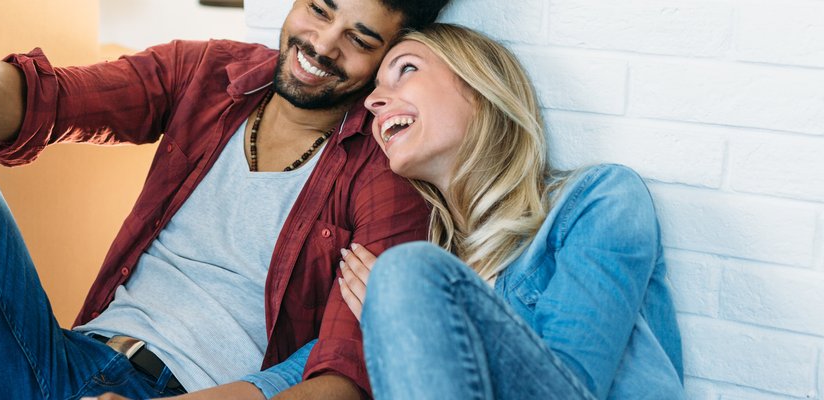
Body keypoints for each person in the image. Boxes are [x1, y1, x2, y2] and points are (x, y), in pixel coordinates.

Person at [0, 0, 451, 399]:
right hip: (59, 363)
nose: (321, 45)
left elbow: (338, 386)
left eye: (360, 40)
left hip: (181, 390)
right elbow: (48, 98)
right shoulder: (211, 74)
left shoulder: (385, 178)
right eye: (321, 9)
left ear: (392, 58)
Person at [252, 24, 686, 399]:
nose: (373, 102)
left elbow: (572, 385)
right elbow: (297, 374)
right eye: (374, 91)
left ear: (479, 88)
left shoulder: (601, 199)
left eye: (406, 70)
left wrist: (411, 327)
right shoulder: (414, 263)